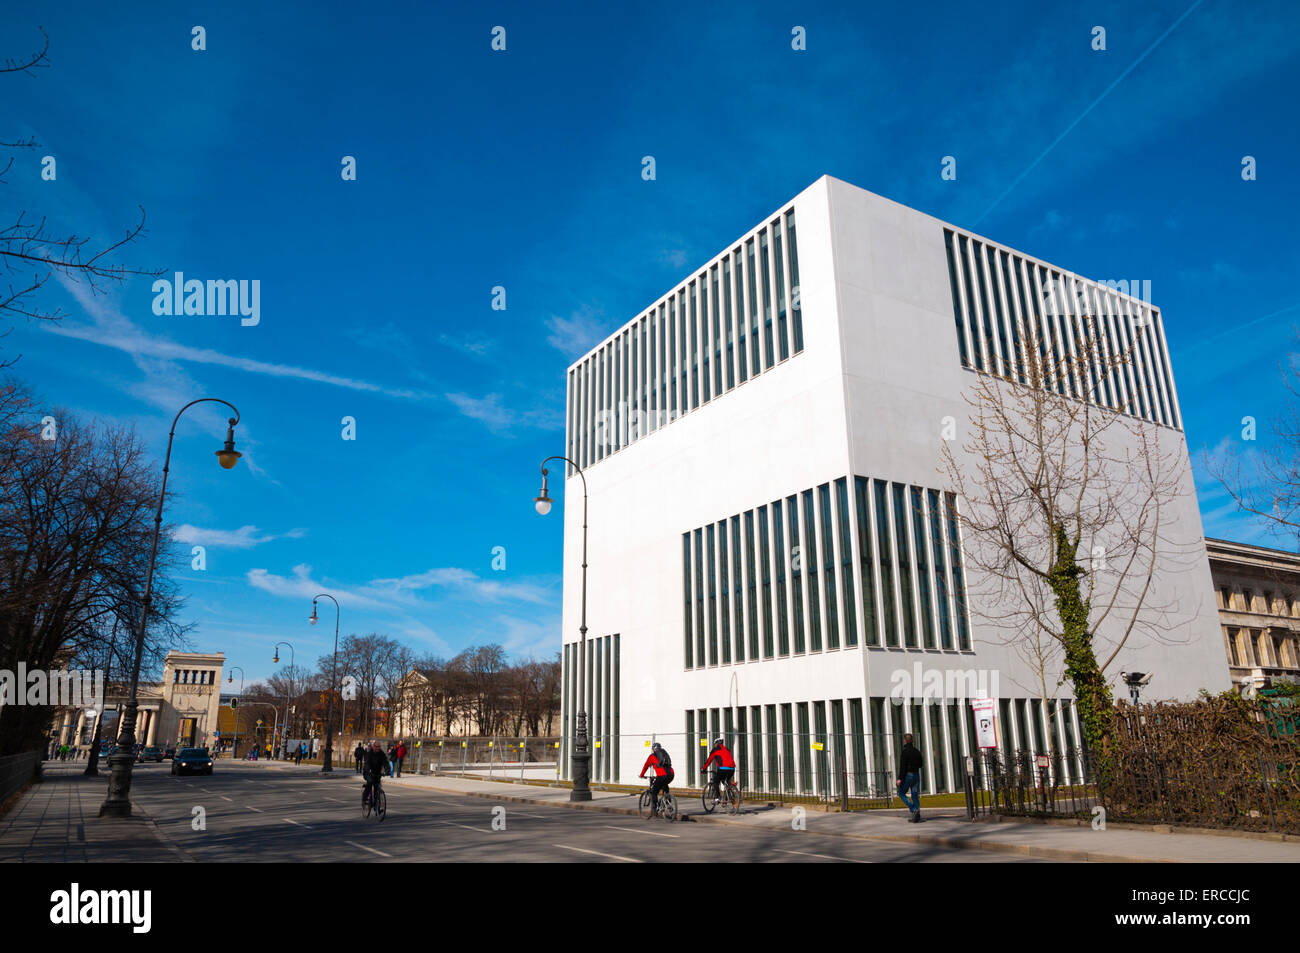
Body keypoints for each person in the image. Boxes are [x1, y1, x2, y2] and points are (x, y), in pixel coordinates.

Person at [639, 742, 674, 817]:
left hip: (662, 775)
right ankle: (668, 804)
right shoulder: (664, 754)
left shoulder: (652, 756)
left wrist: (642, 775)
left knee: (654, 791)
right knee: (665, 787)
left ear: (653, 749)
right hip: (671, 774)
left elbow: (646, 766)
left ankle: (654, 809)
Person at [896, 732, 924, 822]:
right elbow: (921, 764)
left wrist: (900, 778)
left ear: (905, 741)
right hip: (916, 774)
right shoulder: (917, 751)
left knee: (901, 793)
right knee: (914, 794)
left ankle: (913, 809)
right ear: (912, 741)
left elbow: (903, 766)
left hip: (908, 775)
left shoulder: (905, 752)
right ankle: (917, 813)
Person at [701, 738, 736, 803]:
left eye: (714, 744)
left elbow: (709, 761)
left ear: (716, 744)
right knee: (726, 781)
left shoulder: (715, 750)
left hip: (723, 769)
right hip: (732, 769)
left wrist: (703, 769)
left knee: (715, 781)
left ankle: (717, 798)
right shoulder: (727, 749)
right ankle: (729, 796)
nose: (714, 745)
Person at [362, 741, 387, 808]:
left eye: (379, 747)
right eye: (376, 747)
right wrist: (368, 770)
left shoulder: (381, 754)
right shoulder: (369, 753)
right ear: (373, 746)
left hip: (377, 773)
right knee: (370, 782)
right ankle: (364, 799)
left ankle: (376, 804)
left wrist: (387, 770)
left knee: (377, 787)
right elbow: (367, 763)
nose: (378, 748)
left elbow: (385, 762)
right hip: (368, 772)